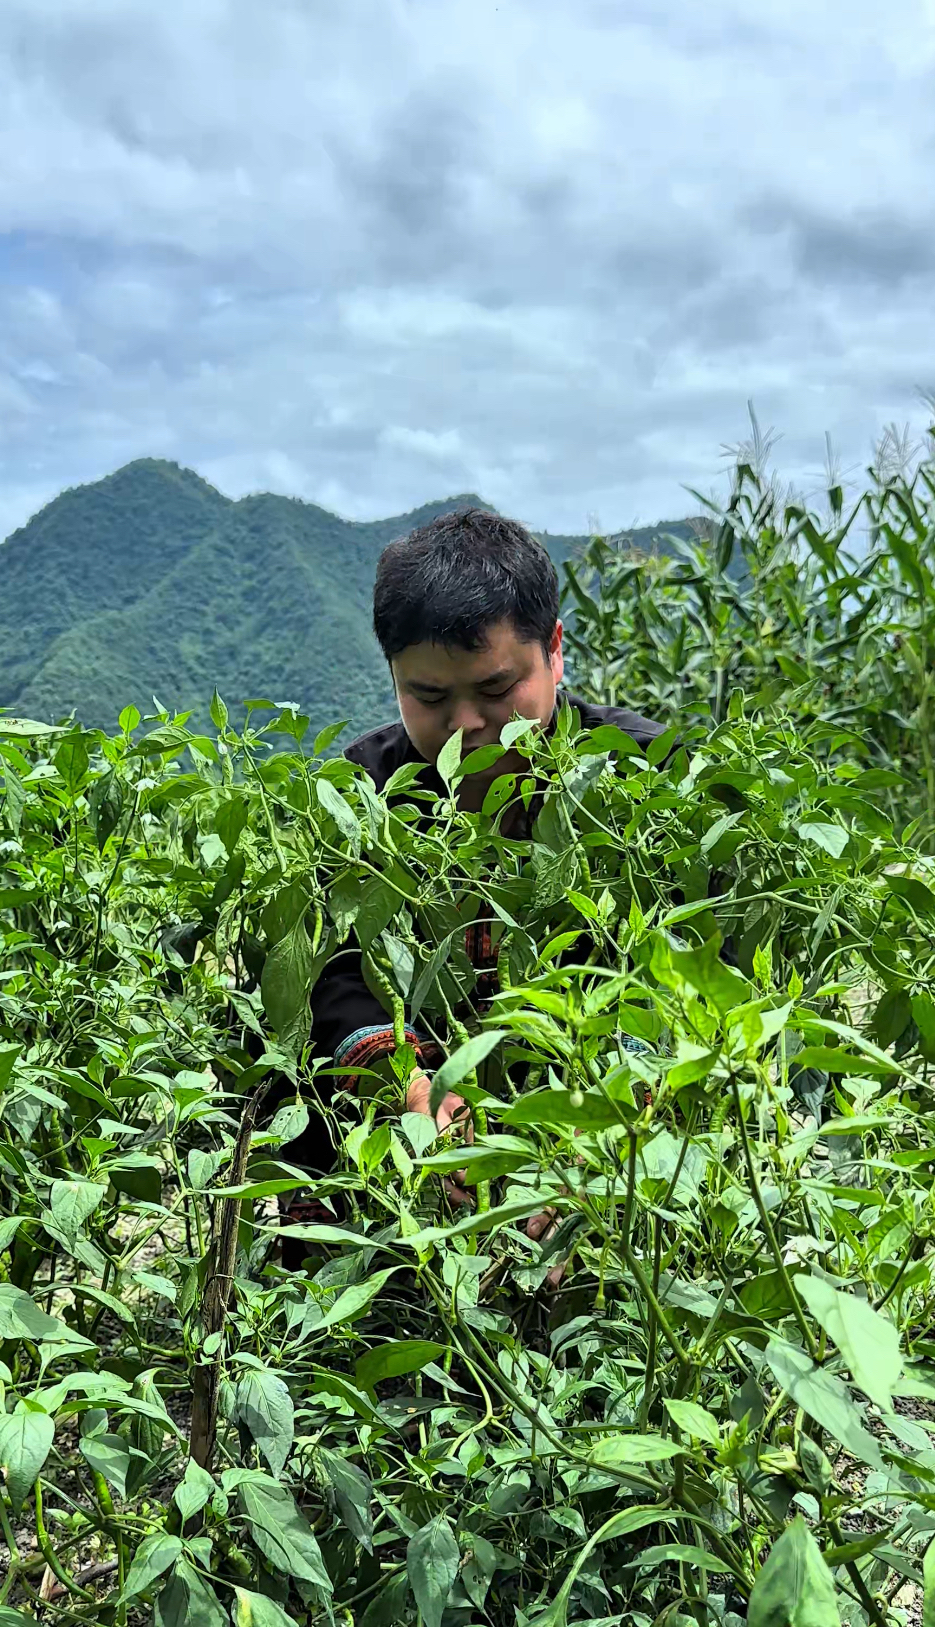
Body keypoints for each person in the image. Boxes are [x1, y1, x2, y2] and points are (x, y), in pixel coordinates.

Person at [282, 505, 666, 1258]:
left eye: (496, 690)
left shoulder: (650, 778)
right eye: (428, 698)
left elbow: (679, 977)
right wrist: (413, 1093)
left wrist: (585, 1130)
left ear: (554, 651)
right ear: (393, 676)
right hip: (413, 1150)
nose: (466, 725)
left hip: (601, 1141)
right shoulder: (359, 792)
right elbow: (332, 977)